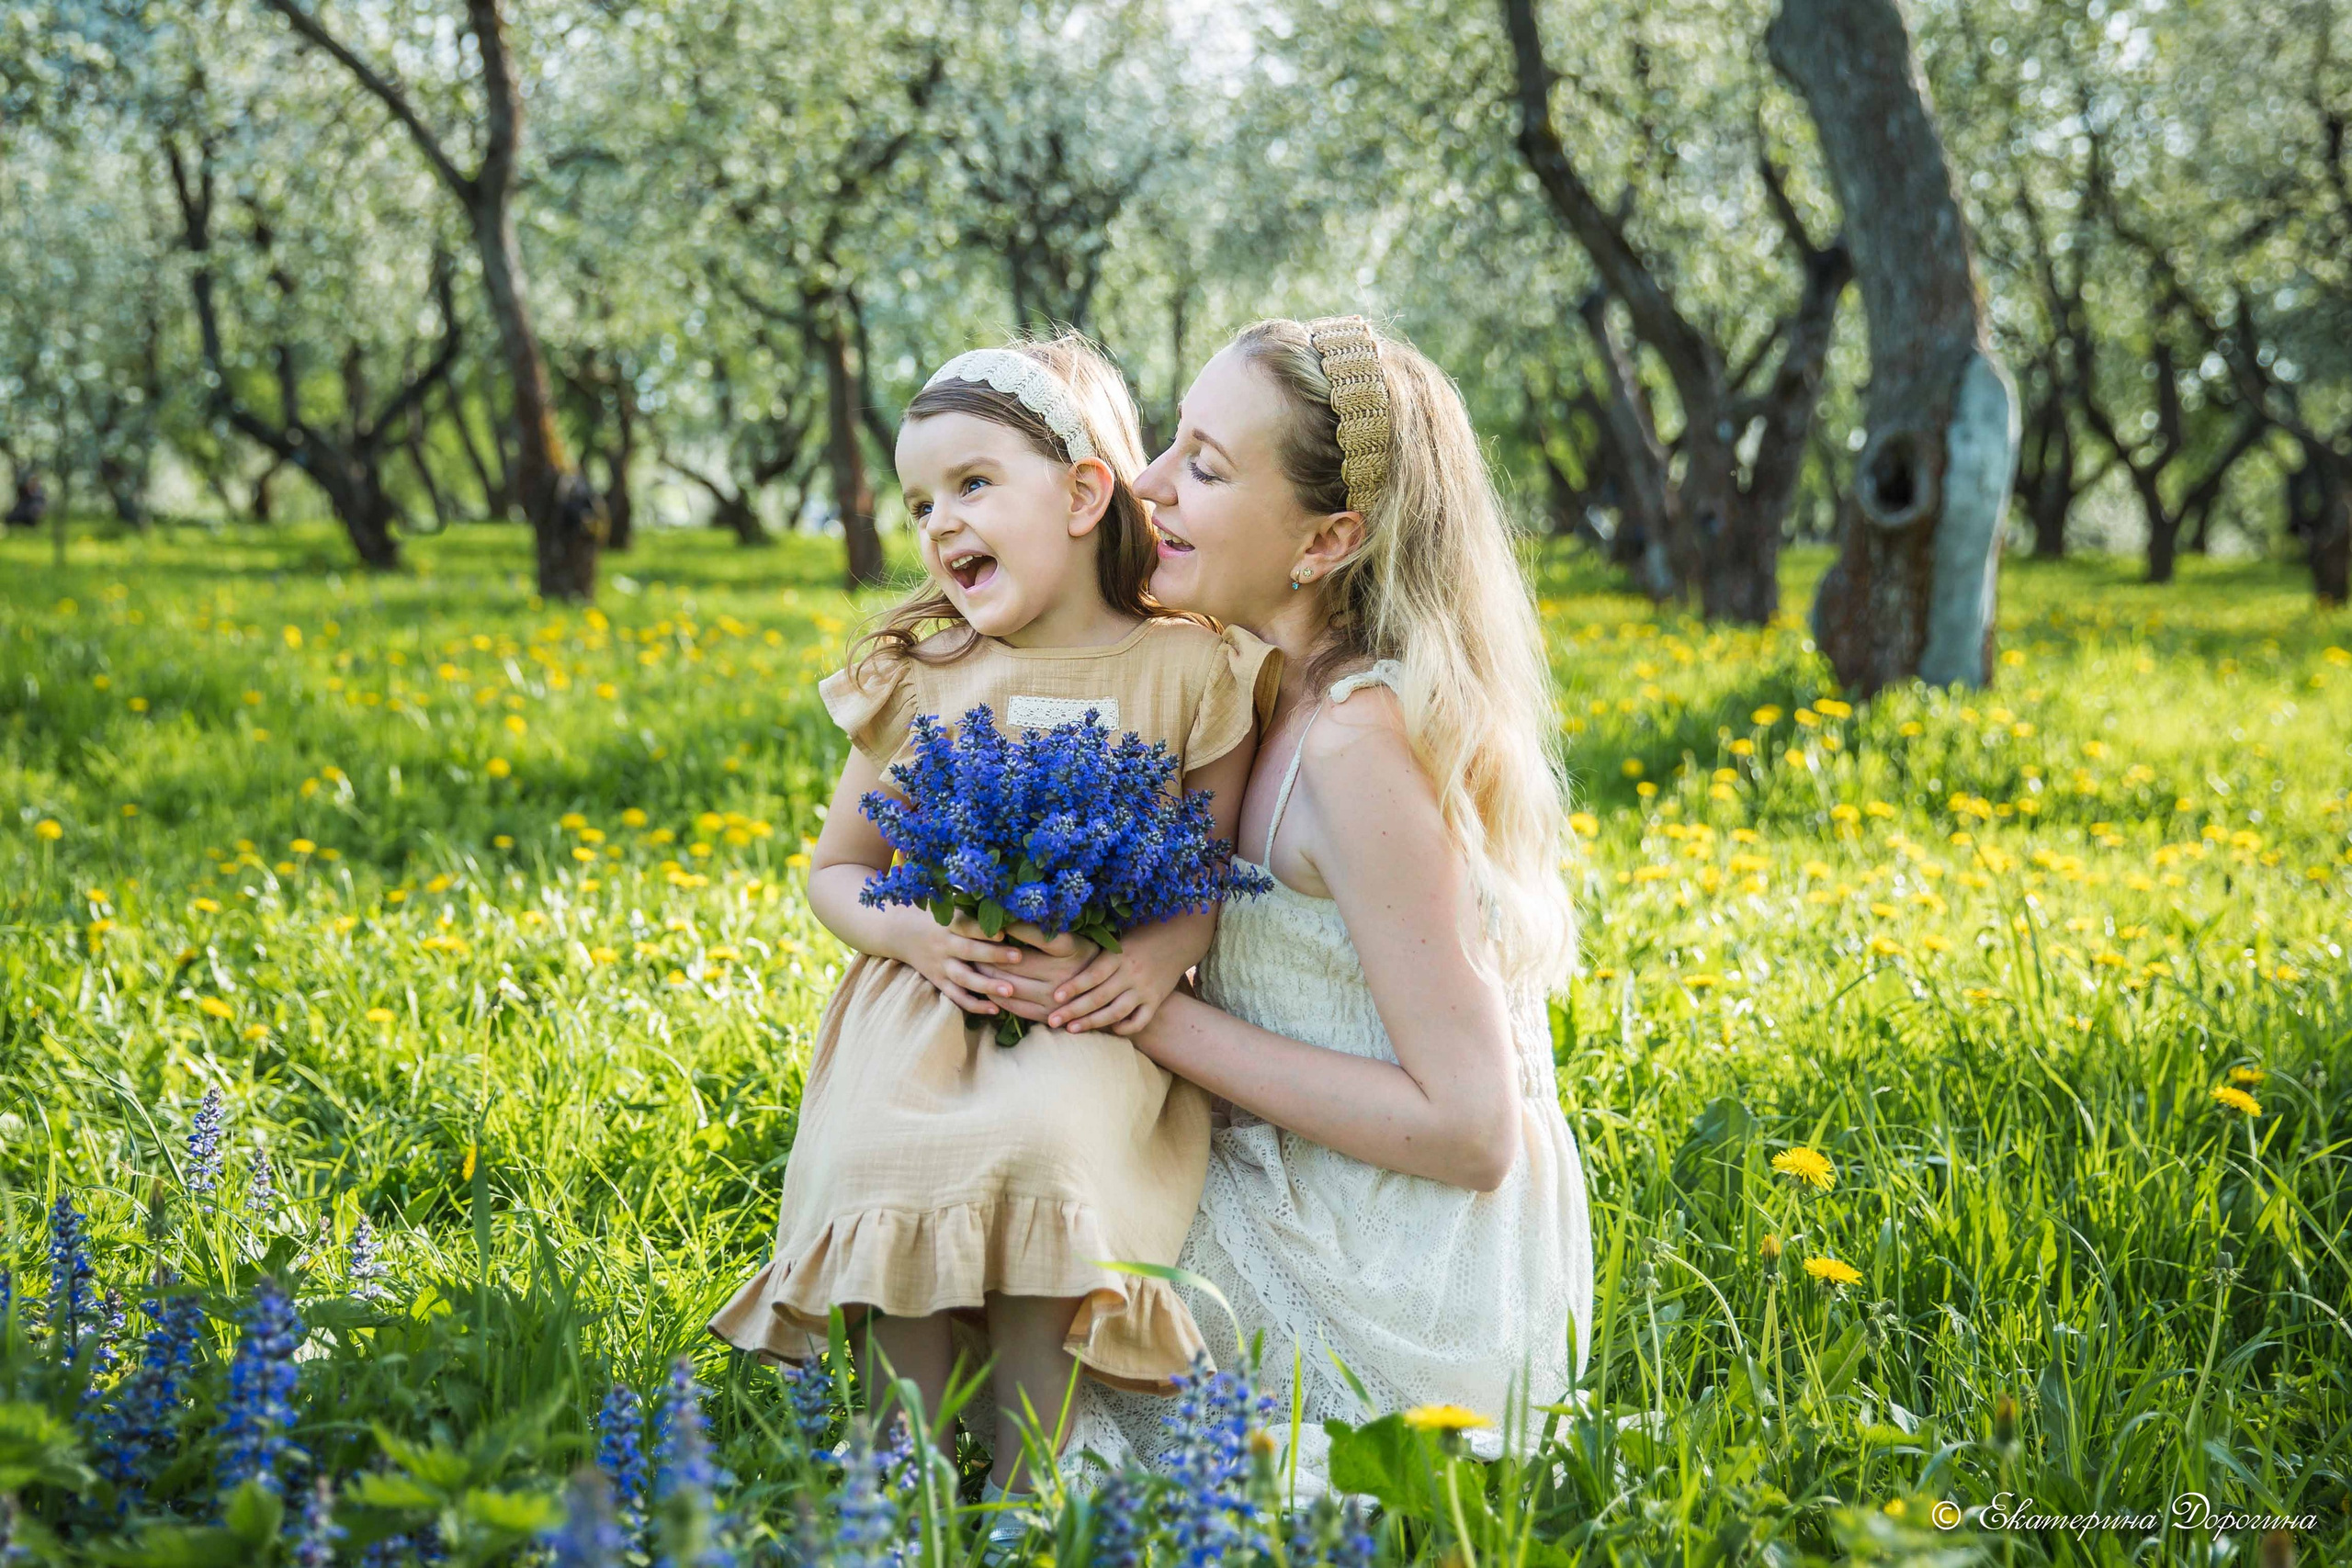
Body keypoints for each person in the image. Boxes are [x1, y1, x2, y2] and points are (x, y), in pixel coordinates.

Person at [983, 316, 1594, 1498]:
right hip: (1316, 1170)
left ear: (1328, 539)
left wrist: (1142, 1015)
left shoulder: (1360, 745)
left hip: (1406, 1271)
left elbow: (1471, 1131)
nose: (1150, 485)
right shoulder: (1255, 683)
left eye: (1205, 467)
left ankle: (997, 1504)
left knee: (1019, 1216)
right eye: (1171, 442)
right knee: (994, 1163)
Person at [706, 333, 1280, 1514]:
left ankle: (1032, 1491)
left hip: (1081, 1010)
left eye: (972, 485)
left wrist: (1157, 959)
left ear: (1080, 494)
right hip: (923, 1005)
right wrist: (911, 933)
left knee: (1044, 1161)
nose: (939, 523)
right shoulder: (926, 674)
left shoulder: (1188, 669)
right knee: (889, 1160)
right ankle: (893, 1490)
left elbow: (1208, 867)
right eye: (921, 501)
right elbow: (836, 872)